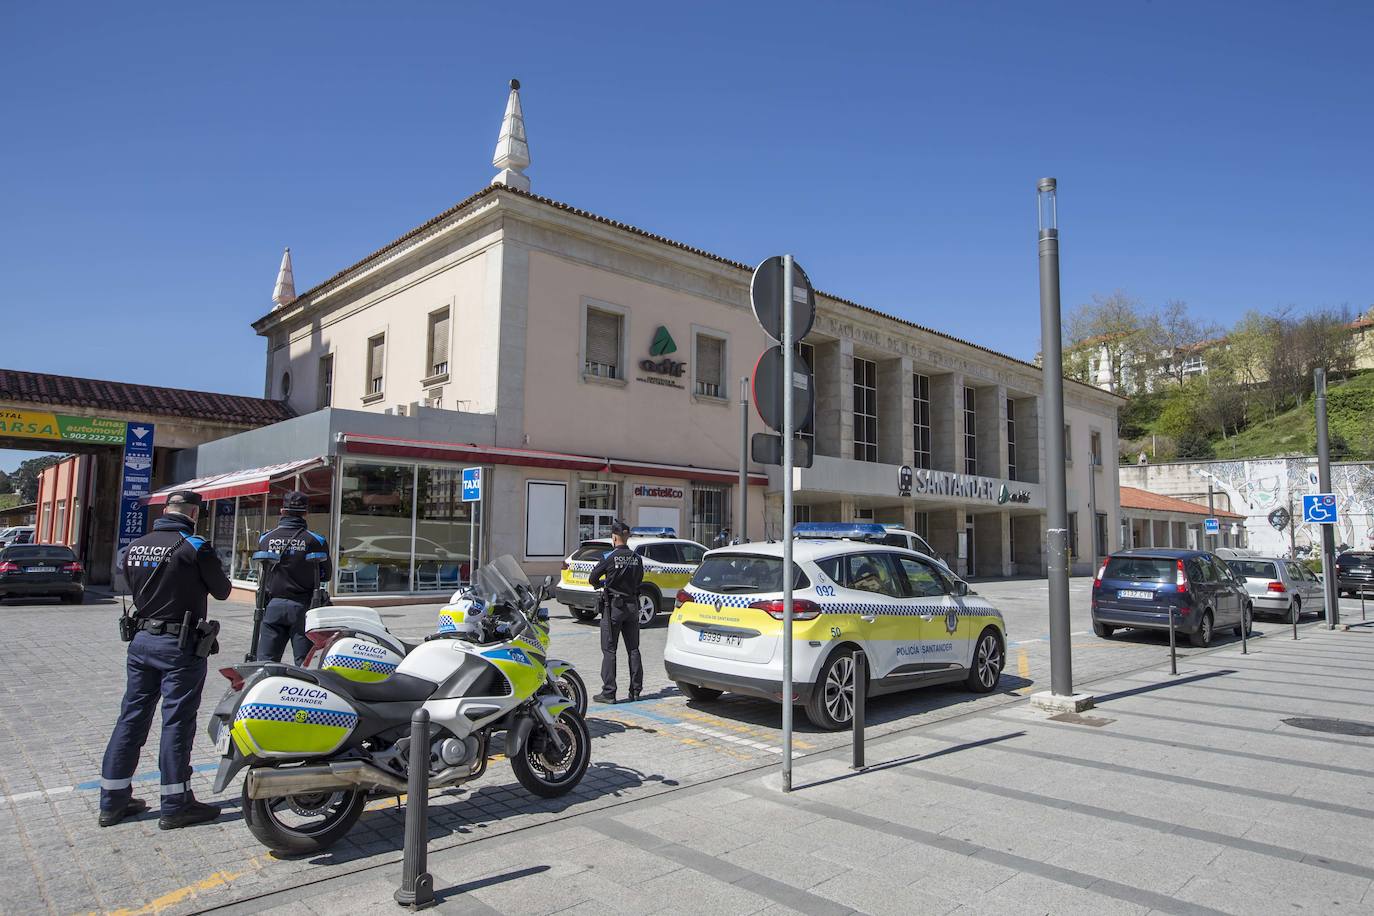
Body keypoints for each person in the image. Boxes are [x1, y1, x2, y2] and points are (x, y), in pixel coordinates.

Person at [99, 490, 232, 829]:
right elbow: (222, 590)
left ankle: (112, 801)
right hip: (179, 646)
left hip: (141, 642)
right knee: (176, 722)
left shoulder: (135, 546)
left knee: (130, 717)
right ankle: (176, 803)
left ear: (165, 511)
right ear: (193, 513)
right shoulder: (194, 546)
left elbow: (129, 582)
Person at [256, 491, 332, 664]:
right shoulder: (316, 540)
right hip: (303, 608)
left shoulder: (266, 538)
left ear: (282, 511)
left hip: (272, 606)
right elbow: (326, 575)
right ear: (306, 513)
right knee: (304, 664)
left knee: (265, 663)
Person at [588, 520, 644, 704]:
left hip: (614, 608)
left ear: (614, 537)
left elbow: (593, 578)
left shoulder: (609, 557)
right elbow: (639, 581)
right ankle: (635, 691)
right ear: (626, 537)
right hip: (633, 607)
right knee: (633, 649)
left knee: (609, 650)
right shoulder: (637, 558)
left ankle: (609, 692)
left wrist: (604, 584)